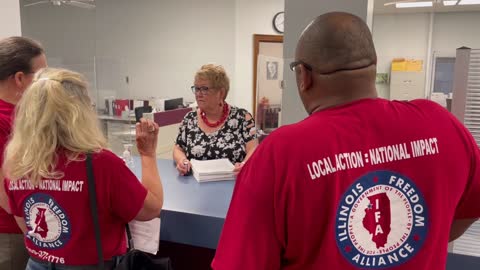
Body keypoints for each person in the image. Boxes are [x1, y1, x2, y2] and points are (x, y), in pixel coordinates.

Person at [212, 12, 480, 270]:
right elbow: (470, 207)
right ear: (373, 66)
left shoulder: (279, 154)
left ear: (304, 76)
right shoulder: (440, 124)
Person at [2, 68, 164, 269]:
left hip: (38, 264)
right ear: (80, 113)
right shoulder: (101, 163)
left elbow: (26, 226)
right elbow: (150, 209)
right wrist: (148, 155)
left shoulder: (17, 163)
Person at [0, 36, 47, 270]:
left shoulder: (24, 115)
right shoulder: (3, 120)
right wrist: (35, 234)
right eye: (41, 76)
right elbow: (3, 191)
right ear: (19, 78)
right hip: (12, 232)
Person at [173, 64, 258, 175]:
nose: (198, 94)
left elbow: (254, 148)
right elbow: (178, 148)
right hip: (196, 186)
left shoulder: (243, 117)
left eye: (204, 89)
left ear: (221, 93)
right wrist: (182, 161)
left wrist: (245, 164)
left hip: (233, 183)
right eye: (197, 89)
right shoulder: (189, 119)